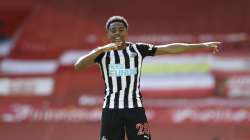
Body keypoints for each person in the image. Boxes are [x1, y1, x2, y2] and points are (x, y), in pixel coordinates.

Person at [74, 16, 220, 140]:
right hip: (111, 110)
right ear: (108, 34)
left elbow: (169, 48)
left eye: (121, 30)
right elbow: (78, 66)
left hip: (135, 109)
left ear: (126, 32)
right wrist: (101, 49)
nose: (117, 33)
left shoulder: (138, 49)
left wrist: (202, 45)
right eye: (113, 30)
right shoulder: (101, 53)